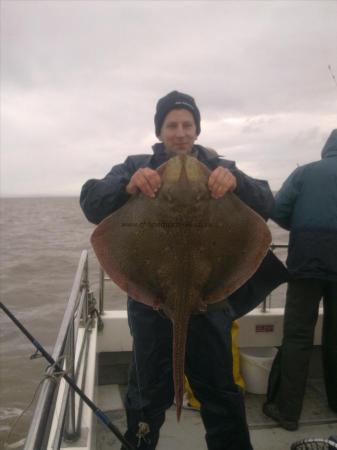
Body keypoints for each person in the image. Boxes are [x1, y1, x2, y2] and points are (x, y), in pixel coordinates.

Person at [80, 91, 286, 450]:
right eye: (171, 125)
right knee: (147, 391)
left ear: (197, 130)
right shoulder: (135, 165)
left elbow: (267, 202)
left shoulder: (221, 166)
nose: (180, 132)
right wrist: (127, 186)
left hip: (209, 298)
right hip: (153, 300)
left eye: (187, 124)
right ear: (159, 131)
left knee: (220, 390)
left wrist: (237, 183)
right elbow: (91, 201)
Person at [263, 129, 337, 431]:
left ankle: (287, 412)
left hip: (307, 262)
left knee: (297, 337)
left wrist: (300, 226)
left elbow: (277, 209)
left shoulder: (304, 173)